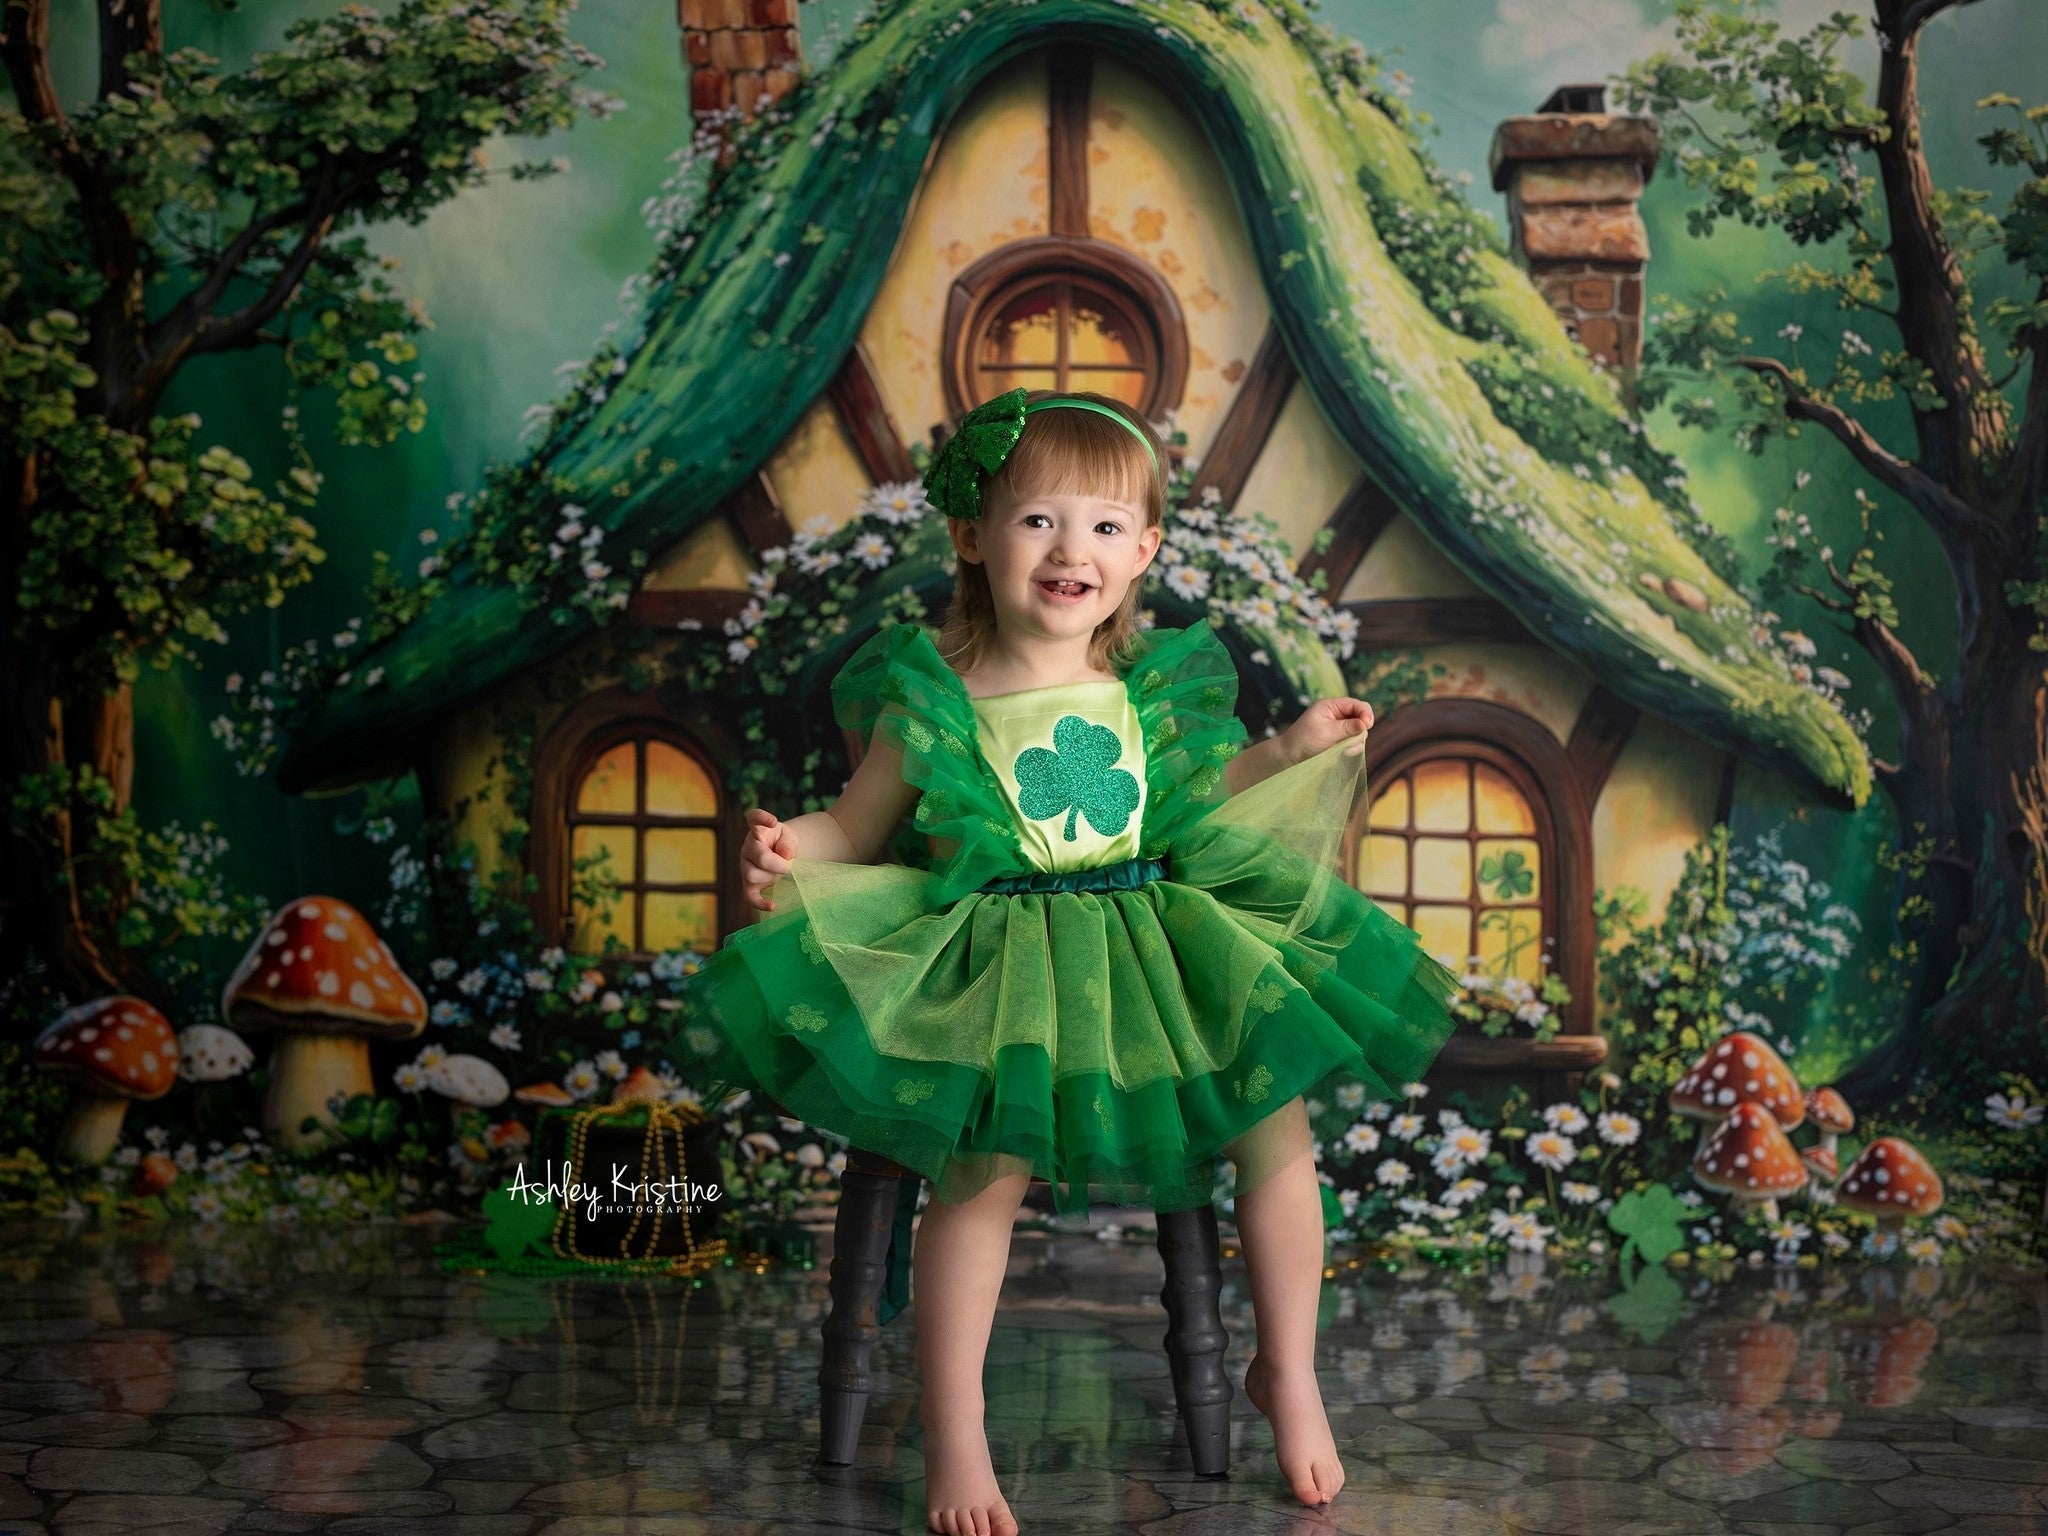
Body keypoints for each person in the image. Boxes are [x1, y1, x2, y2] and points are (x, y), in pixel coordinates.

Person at [671, 386, 1460, 1534]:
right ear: (971, 535)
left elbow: (1198, 801)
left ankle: (1286, 1367)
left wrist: (1288, 747)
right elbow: (860, 823)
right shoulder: (933, 701)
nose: (1068, 550)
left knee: (1274, 1131)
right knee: (979, 1179)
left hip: (1152, 941)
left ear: (1141, 554)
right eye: (1037, 520)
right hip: (999, 964)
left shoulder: (1149, 692)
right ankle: (955, 1430)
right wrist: (797, 854)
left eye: (1100, 527)